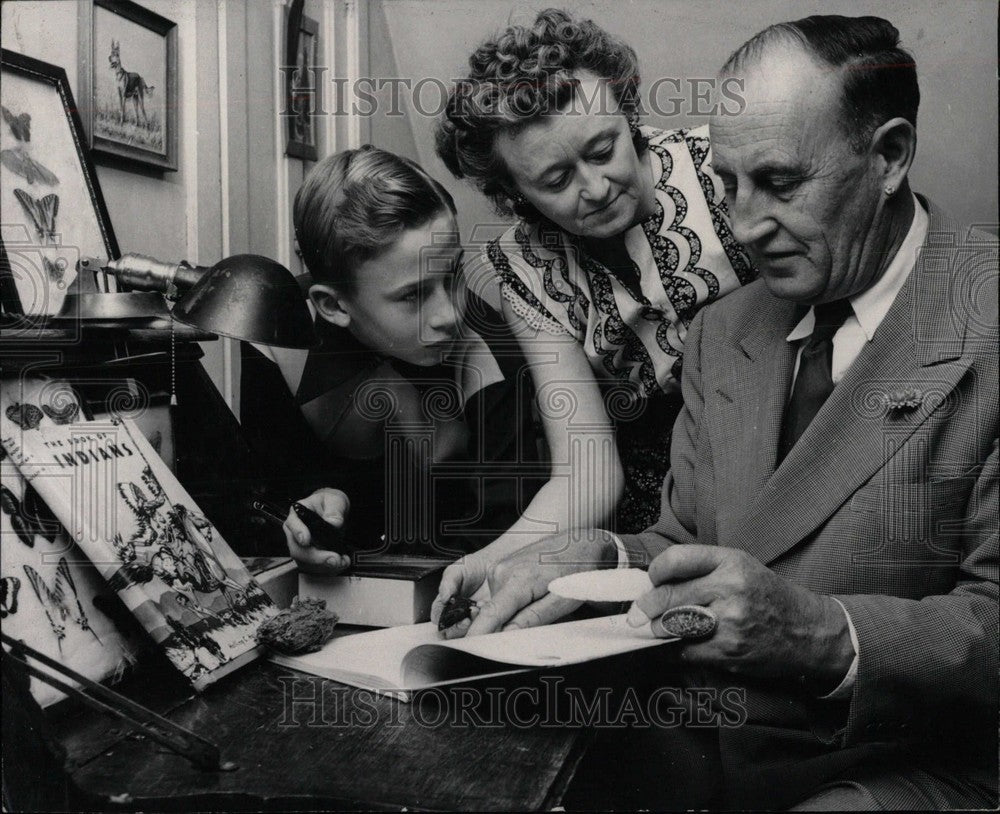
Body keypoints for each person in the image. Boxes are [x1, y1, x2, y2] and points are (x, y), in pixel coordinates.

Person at [442, 15, 999, 810]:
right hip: (724, 742)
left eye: (777, 183)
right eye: (730, 185)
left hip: (921, 758)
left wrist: (816, 633)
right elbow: (689, 540)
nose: (739, 226)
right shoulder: (724, 330)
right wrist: (592, 559)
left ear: (889, 156)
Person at [432, 8, 756, 612]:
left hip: (777, 441)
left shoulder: (723, 171)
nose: (597, 186)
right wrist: (487, 563)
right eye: (556, 179)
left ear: (629, 115)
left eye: (604, 149)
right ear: (514, 195)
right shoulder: (520, 268)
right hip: (650, 488)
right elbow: (588, 470)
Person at [275, 147, 544, 570]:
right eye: (413, 294)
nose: (450, 314)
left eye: (452, 275)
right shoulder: (275, 337)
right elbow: (269, 505)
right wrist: (318, 516)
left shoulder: (488, 341)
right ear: (333, 306)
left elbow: (505, 532)